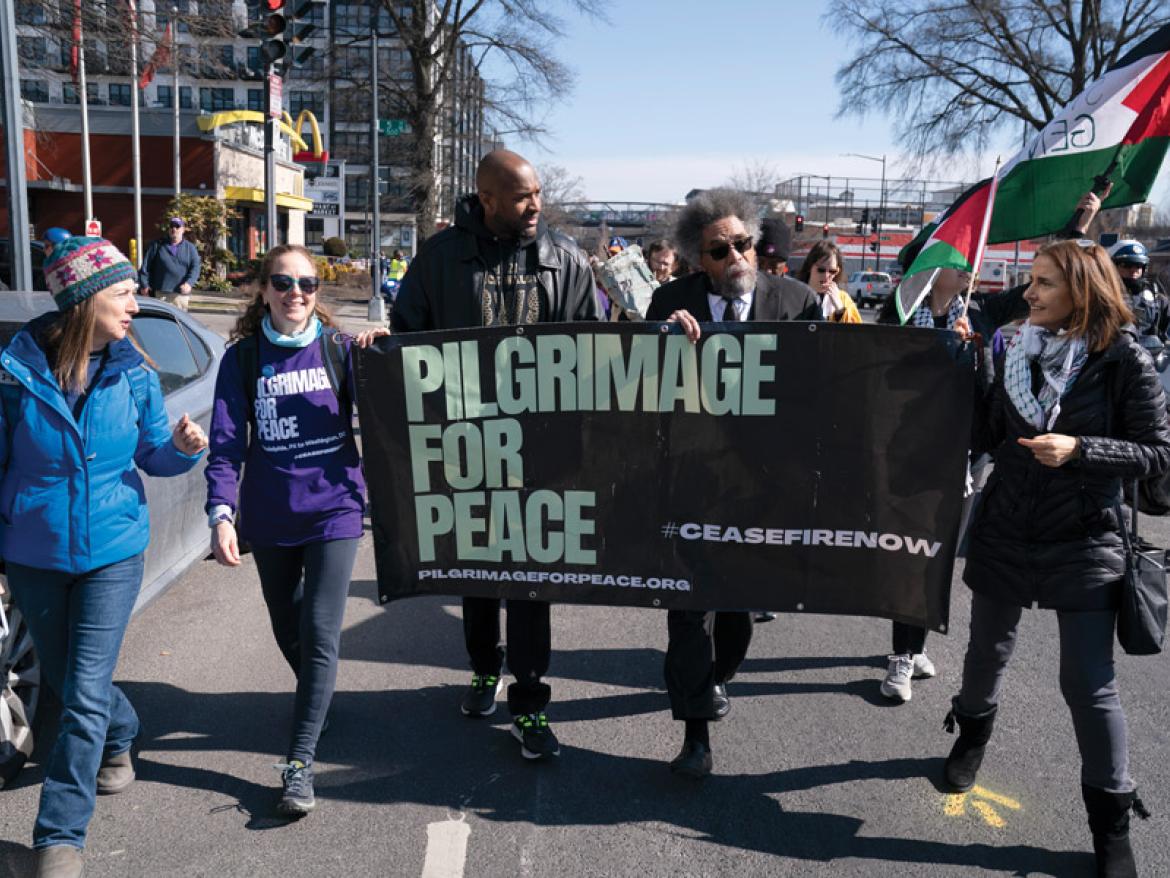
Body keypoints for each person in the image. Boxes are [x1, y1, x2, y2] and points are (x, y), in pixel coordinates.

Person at [942, 241, 1170, 877]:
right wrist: (965, 369)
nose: (1030, 293)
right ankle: (970, 738)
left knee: (1088, 685)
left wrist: (1082, 449)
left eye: (1044, 283)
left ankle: (1111, 826)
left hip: (1086, 535)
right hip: (1007, 525)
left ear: (1082, 289)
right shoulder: (1013, 348)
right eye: (1030, 281)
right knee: (987, 651)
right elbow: (984, 436)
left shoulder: (1124, 357)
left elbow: (1157, 453)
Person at [0, 236, 208, 878]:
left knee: (81, 693)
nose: (135, 304)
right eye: (122, 293)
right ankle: (121, 735)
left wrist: (184, 448)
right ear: (82, 301)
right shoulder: (13, 376)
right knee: (67, 680)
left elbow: (153, 456)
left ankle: (59, 838)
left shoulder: (135, 371)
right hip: (34, 551)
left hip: (113, 550)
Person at [391, 149, 597, 761]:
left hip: (541, 455)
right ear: (486, 199)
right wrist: (381, 348)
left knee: (533, 580)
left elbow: (594, 347)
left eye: (537, 193)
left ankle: (530, 701)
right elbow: (407, 340)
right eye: (521, 196)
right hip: (467, 449)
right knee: (478, 572)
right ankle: (485, 667)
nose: (535, 205)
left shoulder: (564, 259)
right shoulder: (440, 259)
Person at [204, 244, 386, 817]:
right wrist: (221, 514)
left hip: (335, 510)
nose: (296, 294)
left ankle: (299, 761)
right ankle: (319, 696)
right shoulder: (243, 359)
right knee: (290, 629)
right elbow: (227, 445)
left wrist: (381, 356)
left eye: (307, 283)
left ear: (317, 292)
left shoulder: (338, 349)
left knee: (321, 629)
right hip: (270, 514)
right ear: (263, 291)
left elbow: (390, 416)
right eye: (283, 283)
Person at [644, 188, 820, 780]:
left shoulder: (796, 301)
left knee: (737, 616)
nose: (736, 257)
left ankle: (717, 678)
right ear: (700, 260)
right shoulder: (671, 302)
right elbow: (642, 390)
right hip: (691, 480)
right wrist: (665, 346)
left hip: (763, 489)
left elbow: (825, 391)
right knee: (689, 610)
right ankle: (696, 736)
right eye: (721, 251)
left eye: (743, 244)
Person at [1108, 239, 1169, 343]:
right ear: (1112, 267)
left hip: (1151, 356)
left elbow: (1166, 334)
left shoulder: (1158, 301)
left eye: (1138, 265)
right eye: (1126, 265)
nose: (1134, 270)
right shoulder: (1102, 298)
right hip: (1113, 356)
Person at [138, 216, 200, 311]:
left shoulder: (190, 248)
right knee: (161, 323)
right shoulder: (157, 245)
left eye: (177, 226)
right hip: (161, 294)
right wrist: (144, 285)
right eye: (171, 226)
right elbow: (145, 267)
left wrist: (189, 283)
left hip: (180, 295)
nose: (174, 229)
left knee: (179, 323)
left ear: (183, 230)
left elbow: (195, 268)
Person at [794, 239, 862, 323]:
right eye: (821, 270)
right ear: (809, 267)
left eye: (832, 271)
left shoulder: (843, 298)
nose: (826, 275)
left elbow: (856, 332)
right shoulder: (795, 294)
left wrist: (840, 310)